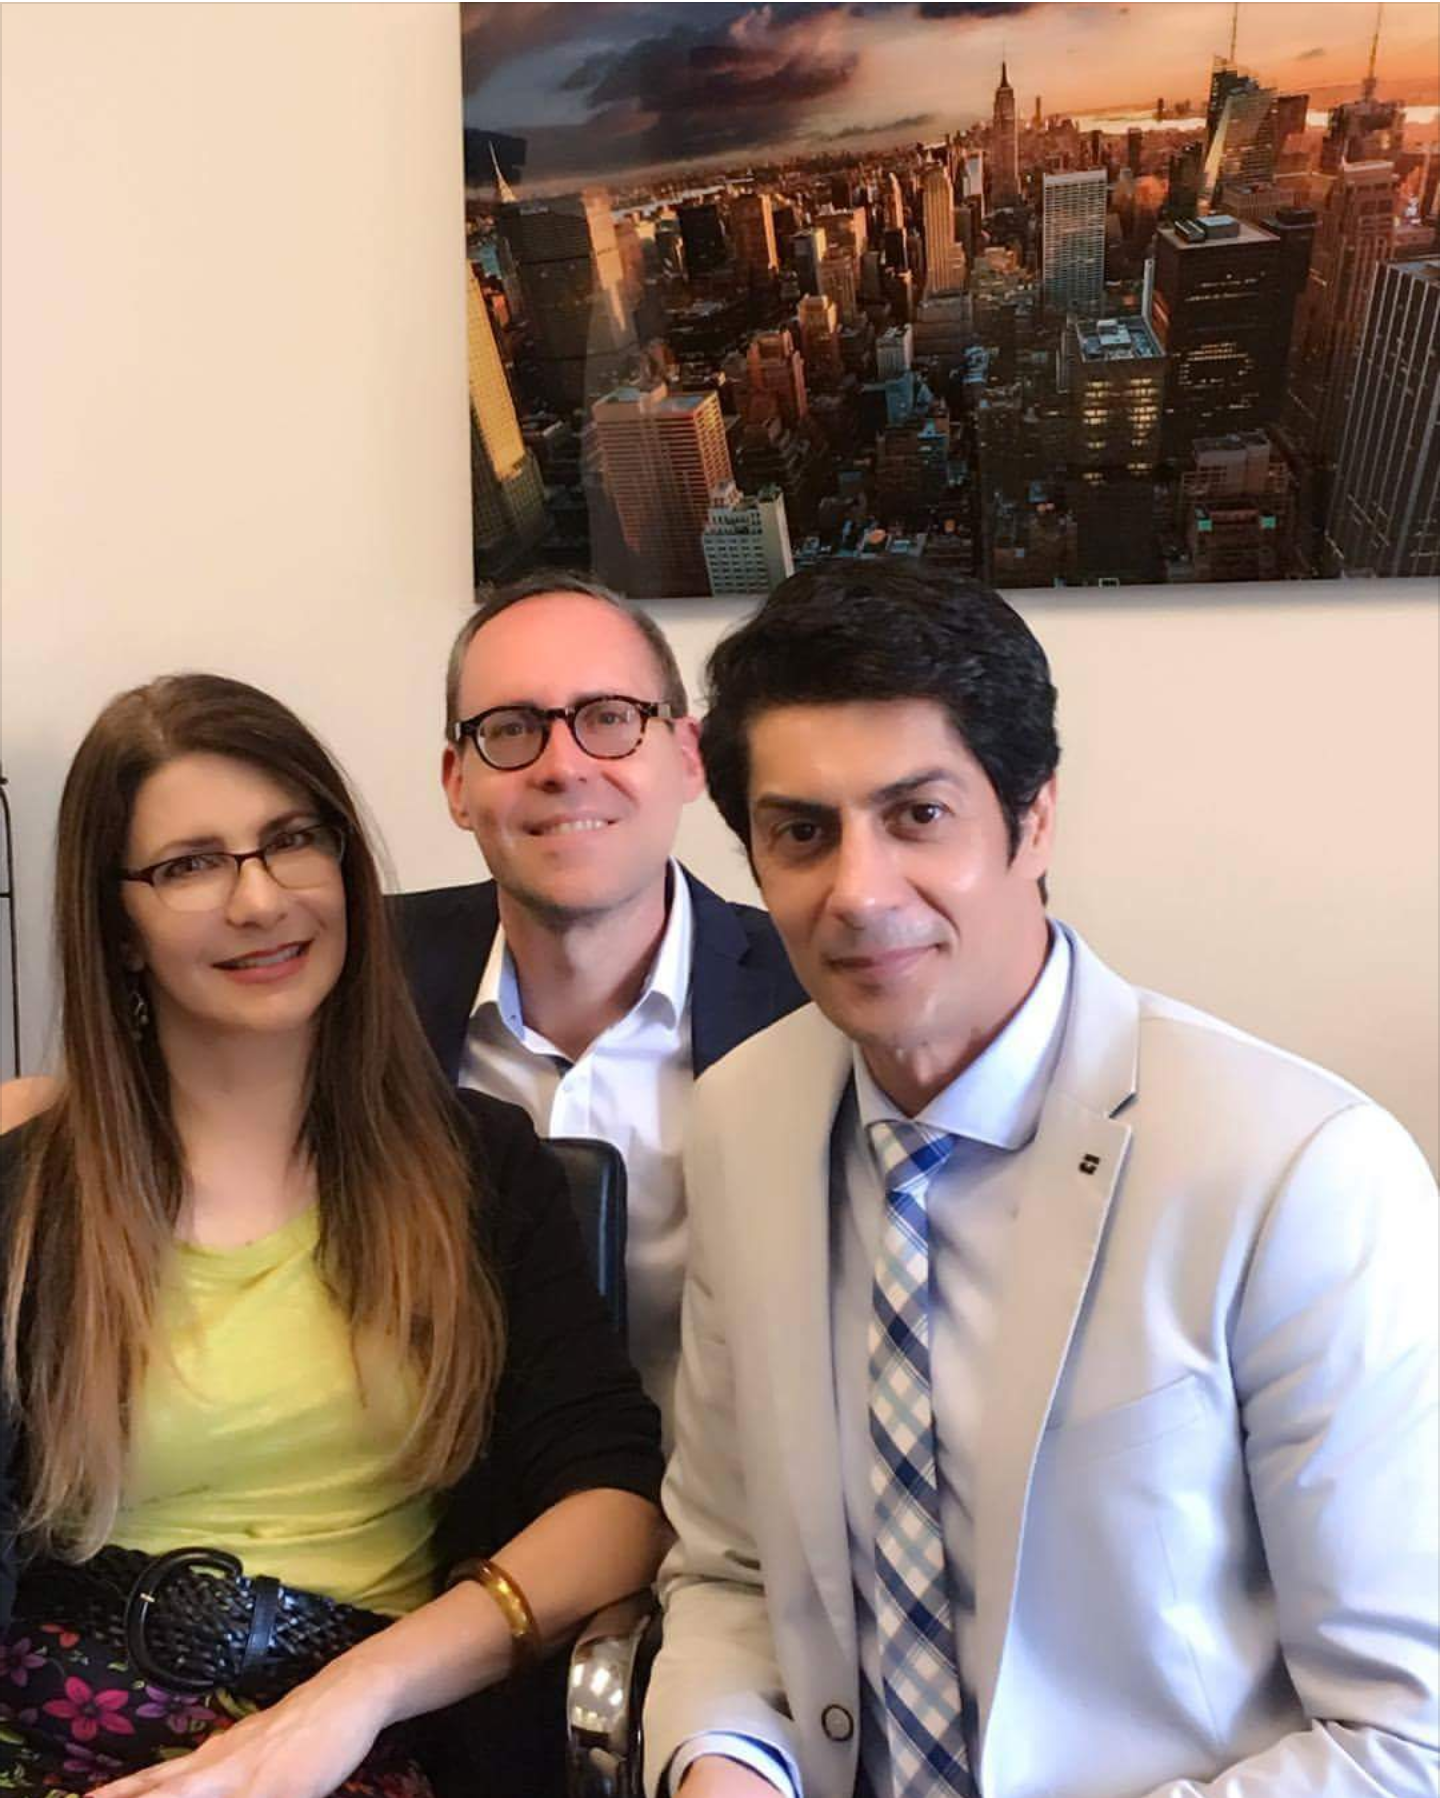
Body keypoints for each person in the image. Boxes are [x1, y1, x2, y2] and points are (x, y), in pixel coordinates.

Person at [643, 564, 1439, 1798]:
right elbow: (730, 1570)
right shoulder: (743, 1118)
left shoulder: (1298, 1170)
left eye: (918, 816)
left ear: (1036, 818)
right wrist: (724, 1760)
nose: (857, 892)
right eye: (802, 832)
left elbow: (1406, 1734)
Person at [0, 673, 665, 1798]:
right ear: (117, 925)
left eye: (293, 841)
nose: (260, 900)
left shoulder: (479, 1170)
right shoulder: (30, 1196)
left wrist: (352, 1698)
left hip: (361, 1739)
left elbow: (613, 1506)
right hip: (52, 1732)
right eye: (190, 865)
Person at [395, 572, 806, 1441]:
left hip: (733, 1513)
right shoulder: (360, 985)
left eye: (610, 718)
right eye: (511, 729)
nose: (563, 766)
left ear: (688, 755)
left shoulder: (815, 998)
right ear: (457, 782)